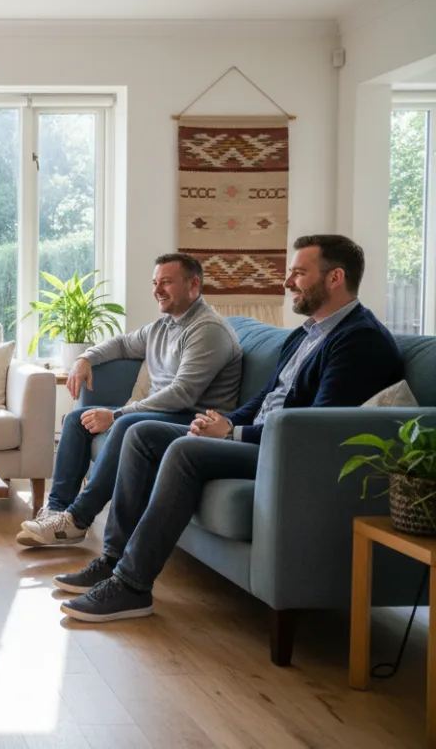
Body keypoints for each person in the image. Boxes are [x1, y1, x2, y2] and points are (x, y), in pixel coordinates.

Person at [57, 235, 405, 623]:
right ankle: (112, 560)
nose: (288, 282)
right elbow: (267, 398)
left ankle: (132, 586)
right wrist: (227, 422)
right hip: (262, 438)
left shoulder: (359, 340)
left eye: (299, 273)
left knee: (184, 452)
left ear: (336, 277)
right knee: (140, 434)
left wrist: (231, 435)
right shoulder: (306, 333)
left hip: (286, 455)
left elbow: (314, 428)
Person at [18, 253, 243, 547]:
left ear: (193, 285)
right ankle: (57, 510)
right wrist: (85, 357)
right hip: (164, 412)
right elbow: (123, 344)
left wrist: (117, 415)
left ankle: (78, 520)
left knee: (127, 424)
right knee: (77, 419)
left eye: (166, 282)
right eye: (155, 282)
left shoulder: (208, 330)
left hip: (196, 420)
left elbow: (182, 393)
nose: (157, 290)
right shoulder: (164, 326)